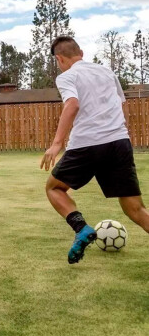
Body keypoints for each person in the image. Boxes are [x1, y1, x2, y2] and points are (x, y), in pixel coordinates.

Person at [41, 35, 149, 264]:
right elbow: (122, 106)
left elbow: (72, 104)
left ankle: (81, 228)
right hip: (119, 142)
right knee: (136, 209)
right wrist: (122, 135)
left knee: (54, 188)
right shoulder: (106, 72)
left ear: (59, 59)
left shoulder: (67, 76)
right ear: (81, 53)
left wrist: (56, 144)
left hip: (86, 144)